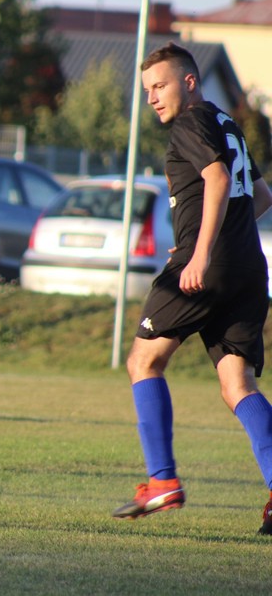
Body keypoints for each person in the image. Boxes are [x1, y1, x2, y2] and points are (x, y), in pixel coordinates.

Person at [113, 42, 272, 535]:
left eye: (159, 86)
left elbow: (217, 179)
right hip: (249, 267)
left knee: (143, 361)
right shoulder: (227, 123)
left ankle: (162, 481)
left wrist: (201, 252)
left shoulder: (190, 122)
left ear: (188, 81)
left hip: (210, 266)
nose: (153, 98)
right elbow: (262, 195)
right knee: (237, 384)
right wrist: (205, 240)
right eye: (146, 91)